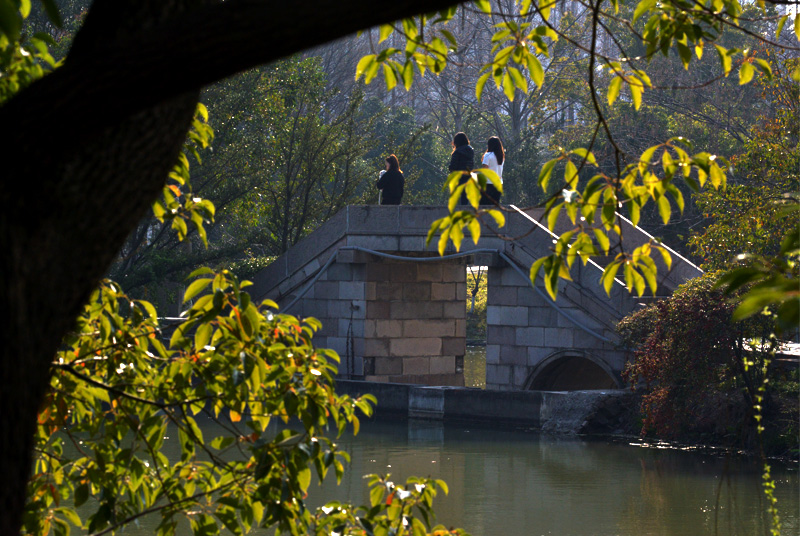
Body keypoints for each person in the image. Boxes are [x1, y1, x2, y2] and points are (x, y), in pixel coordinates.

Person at [448, 132, 474, 205]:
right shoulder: (471, 151)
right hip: (468, 176)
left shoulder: (457, 152)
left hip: (459, 177)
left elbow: (453, 166)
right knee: (465, 198)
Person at [480, 136, 504, 205]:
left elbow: (484, 170)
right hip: (499, 183)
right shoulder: (501, 156)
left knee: (484, 206)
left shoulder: (488, 155)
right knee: (495, 207)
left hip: (488, 184)